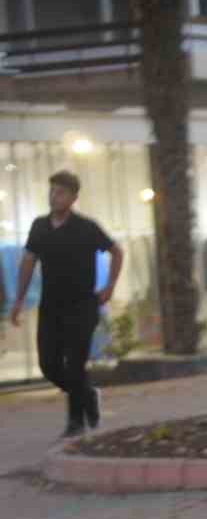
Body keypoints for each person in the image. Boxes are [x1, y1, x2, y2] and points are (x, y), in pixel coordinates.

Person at [8, 170, 123, 438]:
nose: (53, 196)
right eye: (51, 191)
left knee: (74, 363)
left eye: (60, 192)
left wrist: (109, 287)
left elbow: (117, 251)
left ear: (73, 197)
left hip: (82, 306)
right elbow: (28, 261)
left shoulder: (86, 227)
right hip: (51, 307)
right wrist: (18, 300)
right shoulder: (39, 226)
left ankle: (75, 423)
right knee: (48, 364)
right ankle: (87, 394)